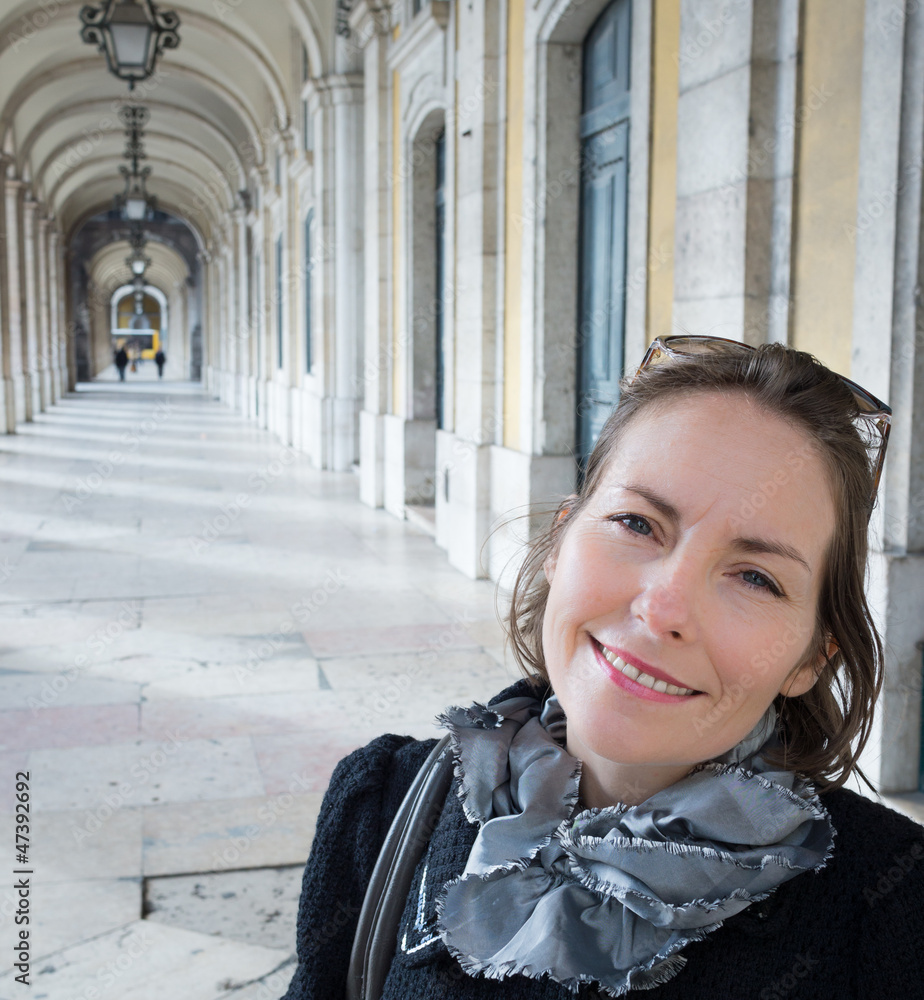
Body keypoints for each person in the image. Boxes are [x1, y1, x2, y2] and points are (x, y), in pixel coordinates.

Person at [282, 338, 923, 999]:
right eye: (638, 524)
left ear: (810, 659)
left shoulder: (893, 910)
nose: (663, 607)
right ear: (560, 539)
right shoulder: (379, 808)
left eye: (755, 577)